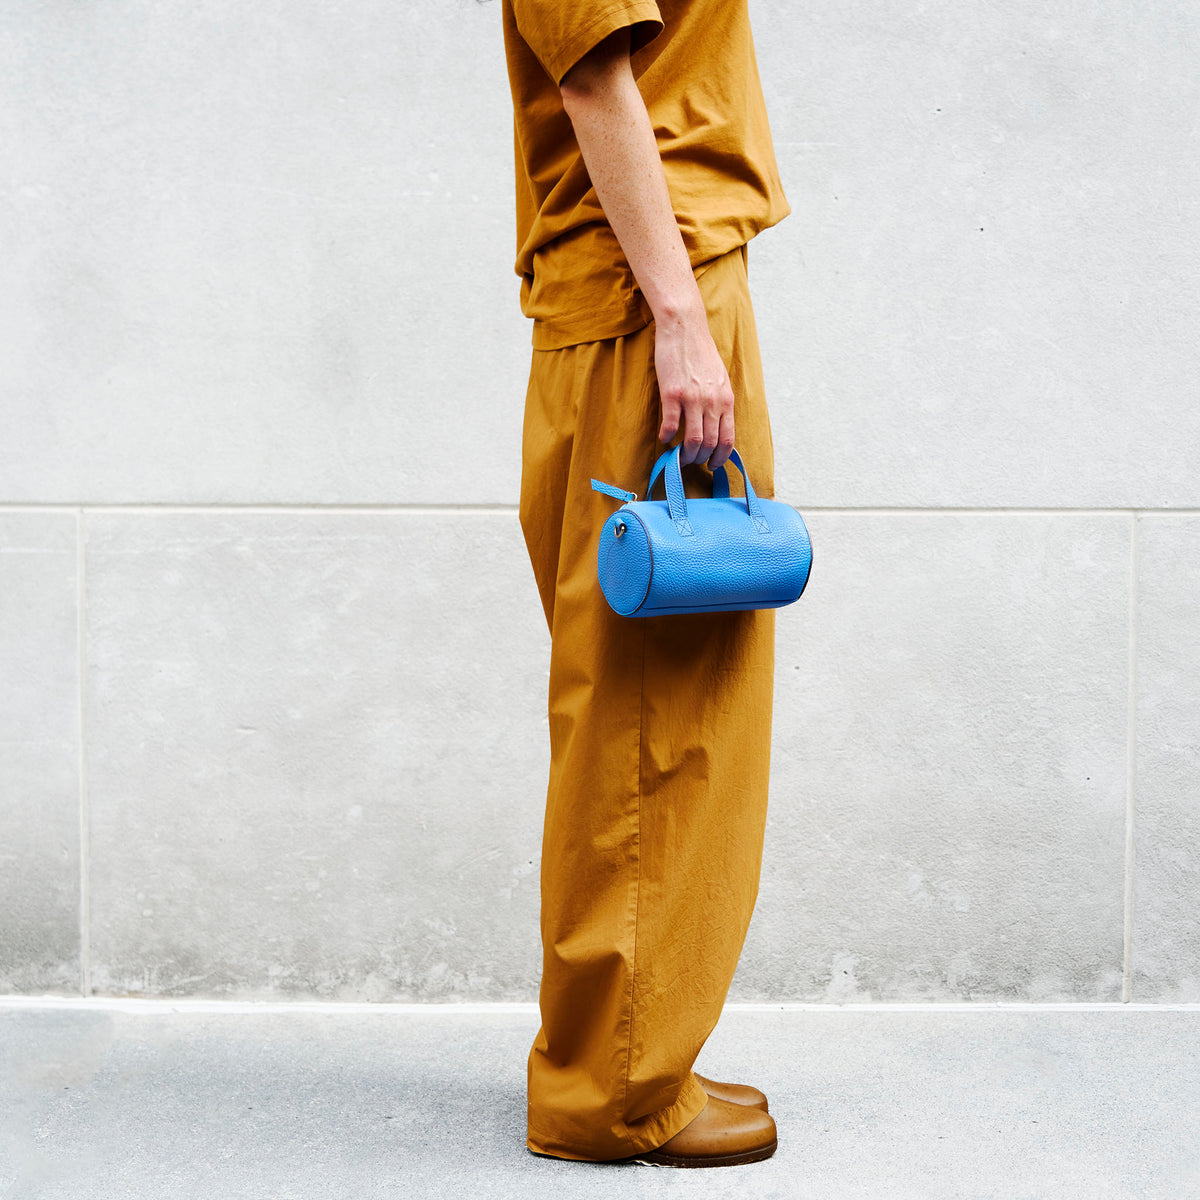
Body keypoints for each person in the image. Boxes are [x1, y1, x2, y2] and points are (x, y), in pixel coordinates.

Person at [501, 0, 790, 1169]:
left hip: (650, 284)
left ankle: (631, 1047)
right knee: (647, 722)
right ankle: (612, 1090)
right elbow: (593, 78)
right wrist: (678, 314)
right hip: (644, 294)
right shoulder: (657, 309)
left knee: (669, 711)